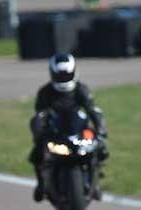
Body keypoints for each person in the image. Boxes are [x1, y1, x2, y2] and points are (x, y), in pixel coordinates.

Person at [29, 53, 109, 202]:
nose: (63, 79)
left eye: (66, 75)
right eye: (60, 75)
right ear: (52, 74)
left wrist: (101, 129)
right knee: (36, 155)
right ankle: (41, 185)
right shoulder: (45, 92)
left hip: (79, 131)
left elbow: (93, 111)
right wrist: (38, 133)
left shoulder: (81, 89)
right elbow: (38, 116)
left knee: (102, 149)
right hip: (55, 132)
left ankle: (95, 183)